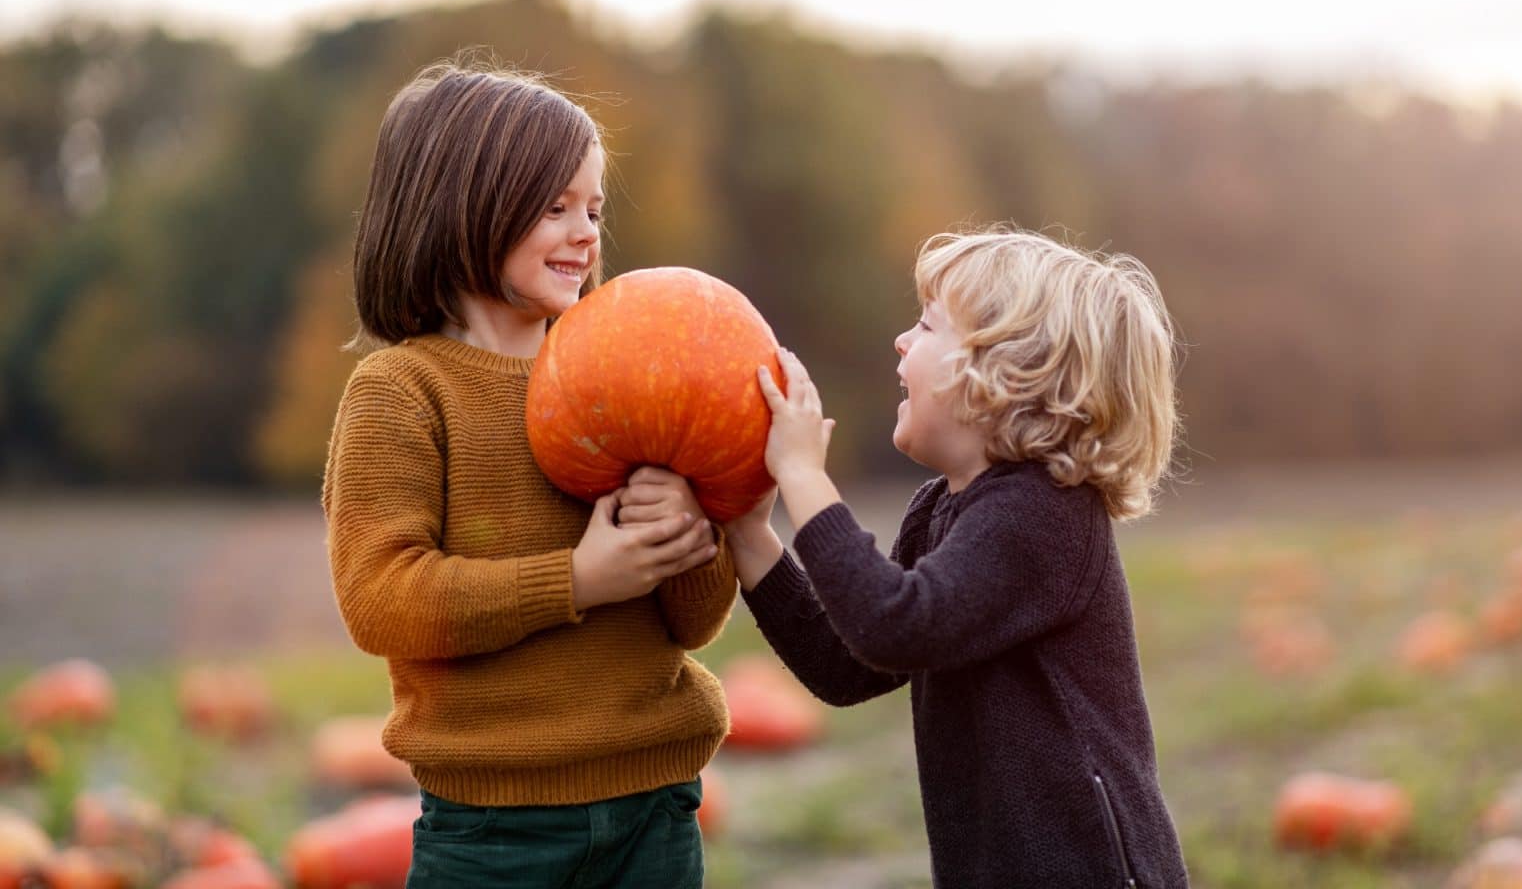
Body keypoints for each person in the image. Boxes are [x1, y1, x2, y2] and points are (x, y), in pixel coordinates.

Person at [322, 58, 735, 889]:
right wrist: (577, 580)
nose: (587, 232)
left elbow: (692, 621)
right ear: (463, 206)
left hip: (656, 804)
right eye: (555, 208)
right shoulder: (403, 393)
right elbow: (382, 600)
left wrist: (694, 524)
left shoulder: (626, 375)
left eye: (594, 208)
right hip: (490, 832)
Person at [724, 227, 1190, 888]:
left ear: (1004, 372)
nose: (902, 341)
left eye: (926, 325)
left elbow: (896, 622)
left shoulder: (1045, 515)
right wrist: (751, 537)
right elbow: (847, 664)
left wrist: (804, 480)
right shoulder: (942, 508)